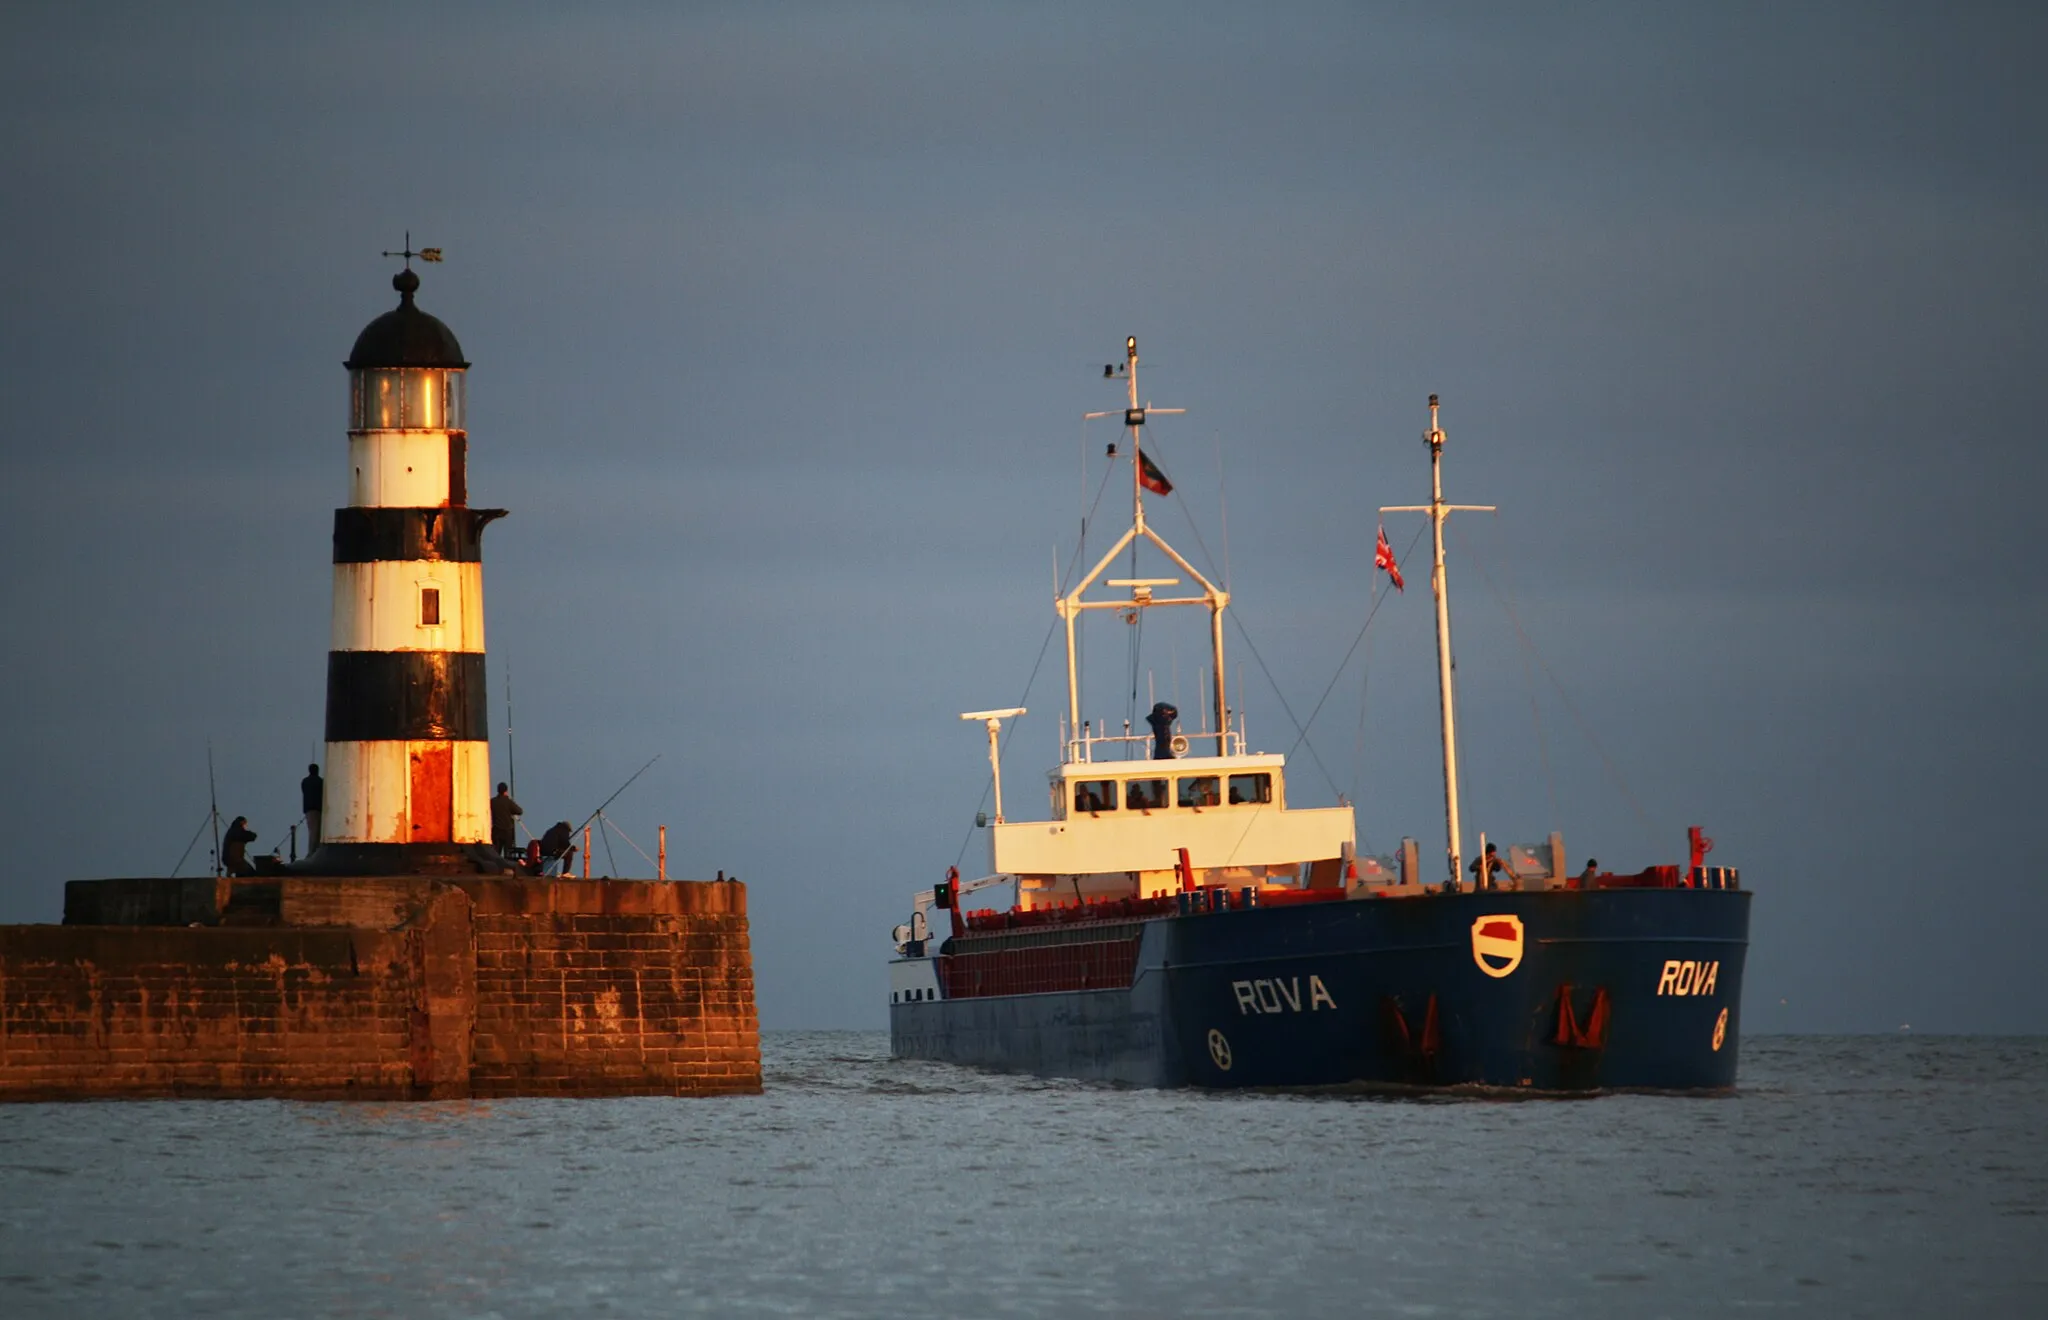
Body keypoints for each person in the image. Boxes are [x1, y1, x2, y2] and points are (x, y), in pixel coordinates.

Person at [491, 783, 523, 857]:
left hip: (496, 831)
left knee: (495, 854)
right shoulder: (508, 802)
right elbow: (519, 811)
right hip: (507, 832)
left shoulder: (492, 801)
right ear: (506, 791)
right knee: (508, 854)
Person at [300, 764, 324, 846]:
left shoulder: (305, 781)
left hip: (308, 809)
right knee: (316, 831)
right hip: (317, 809)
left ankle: (312, 851)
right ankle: (313, 850)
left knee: (312, 831)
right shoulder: (320, 781)